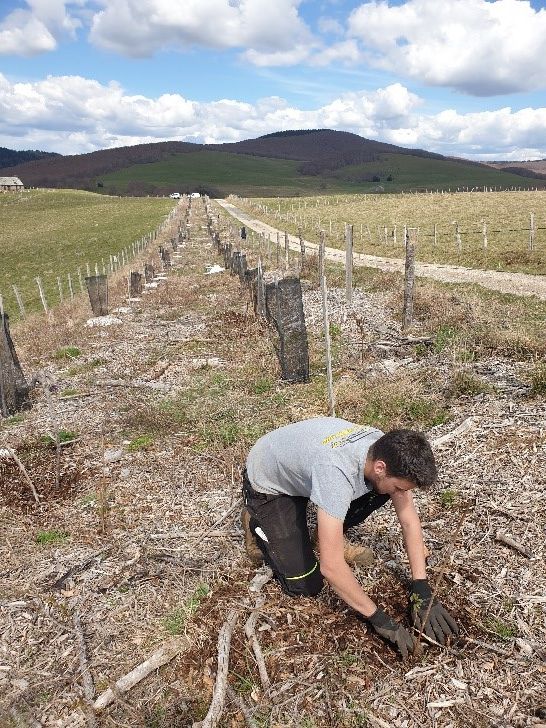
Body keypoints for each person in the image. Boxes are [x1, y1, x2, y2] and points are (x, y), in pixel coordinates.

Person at [241, 417, 458, 658]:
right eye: (401, 487)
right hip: (270, 483)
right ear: (380, 467)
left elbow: (408, 520)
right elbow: (331, 568)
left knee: (380, 491)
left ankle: (326, 535)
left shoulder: (384, 450)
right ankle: (256, 524)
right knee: (305, 584)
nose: (402, 494)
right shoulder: (336, 474)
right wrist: (379, 619)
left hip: (308, 468)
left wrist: (421, 585)